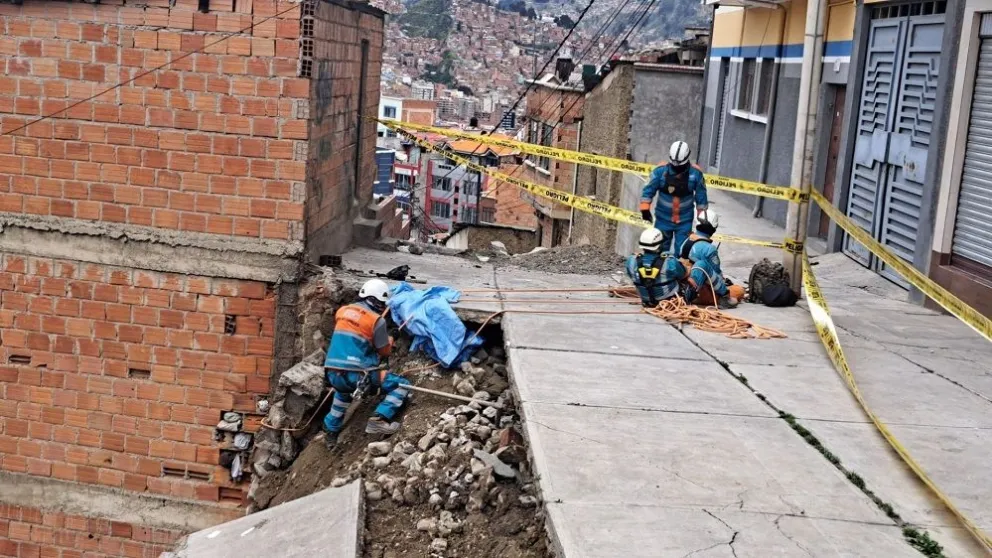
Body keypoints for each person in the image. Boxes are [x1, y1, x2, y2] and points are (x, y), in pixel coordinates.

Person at [322, 279, 411, 448]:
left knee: (343, 393)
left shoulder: (342, 311)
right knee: (402, 384)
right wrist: (391, 338)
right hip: (359, 374)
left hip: (332, 372)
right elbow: (384, 351)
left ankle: (330, 429)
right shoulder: (376, 320)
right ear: (380, 301)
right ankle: (379, 419)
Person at [640, 141, 709, 254]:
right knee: (659, 251)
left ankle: (678, 271)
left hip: (685, 221)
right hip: (662, 220)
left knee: (682, 252)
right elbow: (648, 190)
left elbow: (701, 198)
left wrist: (702, 220)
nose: (676, 167)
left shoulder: (695, 174)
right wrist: (645, 210)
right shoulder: (660, 171)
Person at [678, 210, 745, 309]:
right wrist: (724, 288)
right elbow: (715, 276)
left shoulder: (686, 242)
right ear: (713, 229)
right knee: (739, 290)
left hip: (683, 285)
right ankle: (724, 299)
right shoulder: (709, 249)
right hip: (701, 292)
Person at [625, 228, 687, 308]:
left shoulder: (631, 261)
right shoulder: (669, 262)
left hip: (646, 299)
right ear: (660, 245)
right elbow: (683, 274)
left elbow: (631, 276)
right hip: (668, 300)